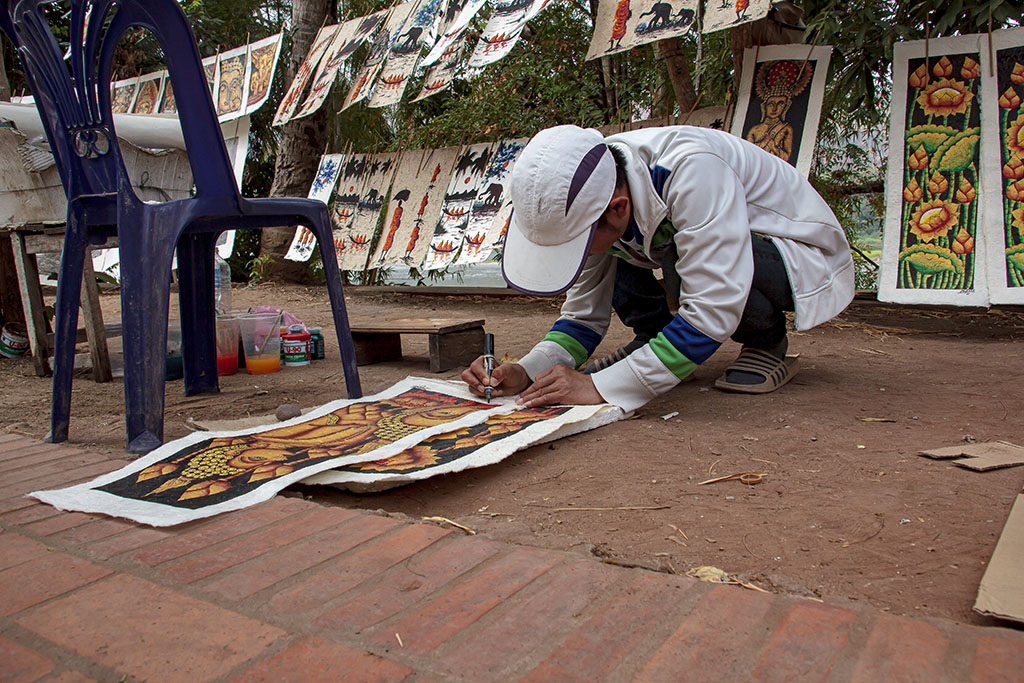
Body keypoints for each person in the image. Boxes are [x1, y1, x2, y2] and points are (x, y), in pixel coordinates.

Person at [462, 124, 855, 411]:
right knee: (628, 254)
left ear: (617, 209)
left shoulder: (692, 171)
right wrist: (525, 371)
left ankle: (768, 343)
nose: (572, 256)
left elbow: (713, 306)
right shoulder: (592, 190)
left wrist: (601, 387)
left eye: (573, 245)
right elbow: (583, 317)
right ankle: (654, 341)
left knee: (681, 264)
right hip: (684, 248)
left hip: (792, 254)